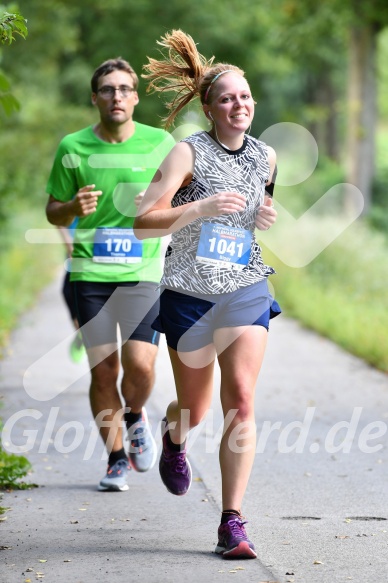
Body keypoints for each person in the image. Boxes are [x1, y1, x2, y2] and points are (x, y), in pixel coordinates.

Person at [134, 30, 280, 559]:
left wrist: (264, 216)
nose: (238, 104)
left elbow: (252, 217)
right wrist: (195, 209)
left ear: (253, 103)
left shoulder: (266, 157)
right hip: (190, 293)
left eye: (244, 96)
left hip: (244, 286)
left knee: (240, 397)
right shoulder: (186, 152)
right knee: (194, 411)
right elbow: (143, 223)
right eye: (227, 98)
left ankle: (232, 521)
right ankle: (175, 437)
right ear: (210, 108)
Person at [45, 57, 175, 492]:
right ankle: (116, 457)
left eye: (124, 89)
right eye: (107, 89)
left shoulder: (161, 143)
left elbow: (184, 203)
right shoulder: (73, 147)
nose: (116, 96)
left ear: (136, 98)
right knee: (104, 372)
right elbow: (52, 211)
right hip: (91, 274)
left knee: (139, 365)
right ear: (95, 97)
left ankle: (136, 414)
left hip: (143, 271)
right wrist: (70, 209)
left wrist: (156, 201)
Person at [57, 221, 86, 364]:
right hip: (74, 253)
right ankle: (81, 331)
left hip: (94, 252)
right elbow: (59, 221)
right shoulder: (70, 198)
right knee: (68, 292)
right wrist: (69, 244)